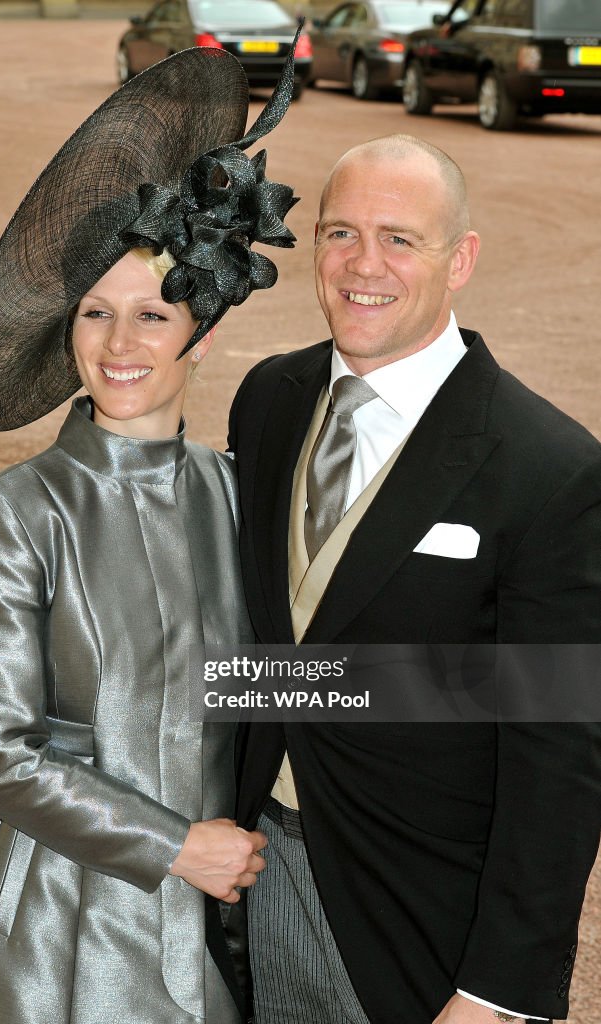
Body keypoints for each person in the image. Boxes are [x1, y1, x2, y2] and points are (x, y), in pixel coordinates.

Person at [0, 42, 299, 1024]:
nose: (118, 345)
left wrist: (506, 686)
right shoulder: (12, 513)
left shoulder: (236, 496)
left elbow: (263, 679)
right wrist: (176, 846)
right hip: (58, 927)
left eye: (151, 315)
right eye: (93, 313)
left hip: (214, 912)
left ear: (200, 332)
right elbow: (0, 753)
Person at [228, 134, 601, 1024]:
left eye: (399, 239)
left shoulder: (549, 468)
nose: (363, 265)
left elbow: (558, 752)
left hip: (421, 922)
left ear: (459, 260)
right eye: (340, 233)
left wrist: (497, 991)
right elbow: (274, 645)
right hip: (254, 873)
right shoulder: (269, 398)